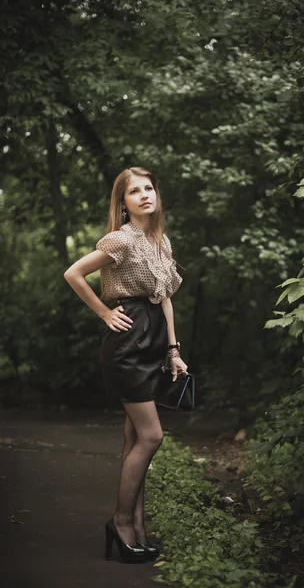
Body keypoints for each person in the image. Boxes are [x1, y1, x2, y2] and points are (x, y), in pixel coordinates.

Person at [63, 166, 188, 563]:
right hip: (127, 344)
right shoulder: (120, 240)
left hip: (154, 343)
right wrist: (103, 313)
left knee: (134, 438)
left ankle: (135, 526)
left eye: (149, 188)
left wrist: (173, 350)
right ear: (123, 203)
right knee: (152, 436)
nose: (144, 195)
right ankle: (120, 522)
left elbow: (165, 297)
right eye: (134, 191)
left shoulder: (160, 241)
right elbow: (74, 273)